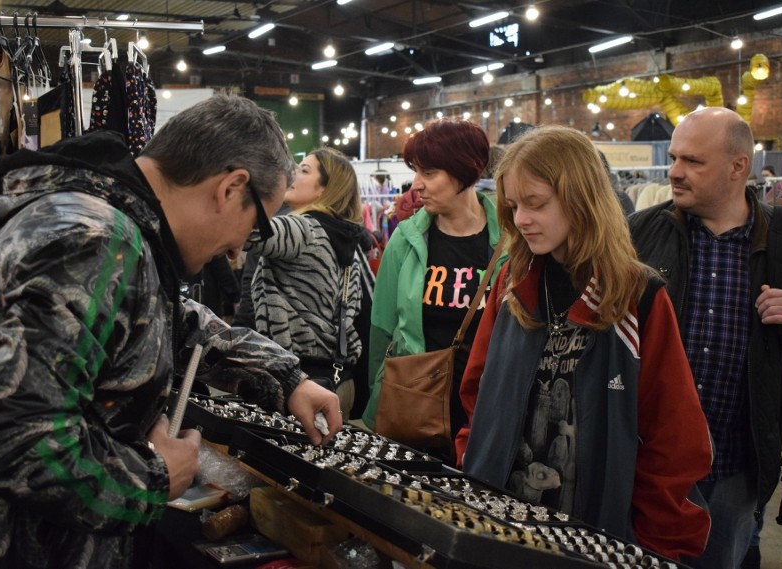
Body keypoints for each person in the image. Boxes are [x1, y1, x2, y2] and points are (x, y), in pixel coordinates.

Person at [0, 95, 342, 569]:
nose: (242, 245)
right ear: (231, 187)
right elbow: (11, 438)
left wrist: (287, 378)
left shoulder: (111, 231)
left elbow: (166, 319)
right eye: (258, 222)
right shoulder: (95, 242)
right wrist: (153, 478)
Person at [457, 125, 712, 561]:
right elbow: (477, 394)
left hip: (594, 534)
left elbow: (672, 436)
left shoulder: (637, 297)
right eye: (514, 206)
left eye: (535, 204)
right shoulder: (511, 283)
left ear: (580, 198)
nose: (520, 220)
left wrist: (654, 545)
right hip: (497, 525)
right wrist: (473, 460)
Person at [629, 107, 782, 569]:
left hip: (737, 463)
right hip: (649, 464)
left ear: (738, 167)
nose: (674, 172)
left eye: (692, 161)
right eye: (673, 158)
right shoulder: (640, 234)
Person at [362, 118, 507, 461]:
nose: (417, 185)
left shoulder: (510, 243)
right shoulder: (406, 240)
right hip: (417, 404)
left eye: (429, 173)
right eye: (416, 172)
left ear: (464, 171)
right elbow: (382, 328)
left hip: (487, 406)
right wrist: (381, 396)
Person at [247, 147, 370, 417]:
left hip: (299, 382)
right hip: (339, 382)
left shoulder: (303, 229)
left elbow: (246, 229)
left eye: (304, 170)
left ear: (325, 189)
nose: (293, 174)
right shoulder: (348, 241)